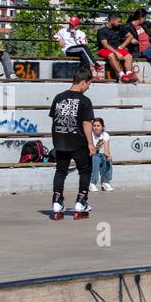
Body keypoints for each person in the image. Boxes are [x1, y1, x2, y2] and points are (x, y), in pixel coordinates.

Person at [48, 67, 97, 219]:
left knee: (61, 170)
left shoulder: (58, 97)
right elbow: (87, 124)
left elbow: (54, 118)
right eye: (88, 84)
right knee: (85, 170)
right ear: (83, 82)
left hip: (60, 140)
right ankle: (81, 201)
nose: (88, 88)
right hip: (78, 142)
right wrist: (90, 143)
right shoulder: (85, 101)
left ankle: (57, 201)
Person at [97, 12, 138, 83]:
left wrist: (122, 46)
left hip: (117, 48)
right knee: (111, 55)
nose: (120, 23)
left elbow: (130, 36)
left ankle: (128, 74)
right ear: (112, 20)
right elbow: (105, 44)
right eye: (118, 21)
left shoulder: (119, 27)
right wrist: (117, 53)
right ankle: (121, 75)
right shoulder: (102, 30)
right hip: (104, 49)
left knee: (128, 56)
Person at [90, 118, 114, 191]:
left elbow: (106, 151)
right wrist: (97, 146)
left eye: (98, 125)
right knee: (96, 158)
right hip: (88, 154)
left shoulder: (105, 135)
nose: (96, 127)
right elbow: (91, 152)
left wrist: (109, 156)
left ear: (102, 127)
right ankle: (92, 182)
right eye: (94, 125)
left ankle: (105, 182)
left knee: (106, 158)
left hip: (96, 153)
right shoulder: (90, 135)